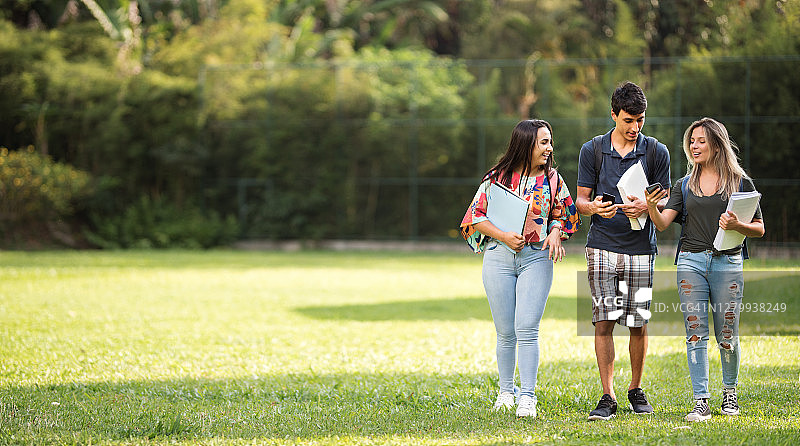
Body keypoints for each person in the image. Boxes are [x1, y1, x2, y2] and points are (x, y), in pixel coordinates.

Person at [644, 117, 764, 422]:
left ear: (716, 144)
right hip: (690, 262)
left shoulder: (739, 183)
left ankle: (730, 393)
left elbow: (759, 229)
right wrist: (650, 205)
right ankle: (701, 401)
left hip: (728, 262)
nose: (695, 146)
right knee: (695, 334)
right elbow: (662, 223)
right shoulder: (683, 185)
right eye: (692, 141)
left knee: (727, 334)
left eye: (701, 141)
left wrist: (738, 225)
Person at [460, 119, 580, 418]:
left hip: (536, 259)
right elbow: (475, 216)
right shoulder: (497, 178)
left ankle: (527, 396)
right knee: (505, 332)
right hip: (498, 258)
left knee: (527, 328)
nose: (549, 148)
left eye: (550, 142)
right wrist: (502, 235)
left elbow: (563, 214)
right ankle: (505, 392)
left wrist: (555, 231)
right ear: (526, 144)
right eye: (543, 142)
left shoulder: (553, 179)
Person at [575, 81, 671, 420]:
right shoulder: (593, 150)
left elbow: (665, 202)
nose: (634, 128)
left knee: (637, 323)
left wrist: (645, 207)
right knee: (603, 321)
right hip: (601, 246)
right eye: (628, 120)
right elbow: (580, 200)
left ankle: (635, 388)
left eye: (640, 120)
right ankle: (608, 395)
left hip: (642, 248)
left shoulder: (657, 151)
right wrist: (595, 209)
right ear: (614, 114)